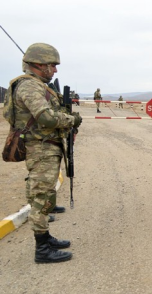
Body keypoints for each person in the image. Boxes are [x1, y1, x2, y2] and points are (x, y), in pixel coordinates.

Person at [8, 43, 82, 263]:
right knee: (41, 198)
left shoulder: (38, 85)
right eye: (52, 65)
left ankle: (46, 238)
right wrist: (71, 120)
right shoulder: (30, 87)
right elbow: (46, 118)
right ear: (39, 64)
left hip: (46, 146)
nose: (55, 70)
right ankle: (42, 250)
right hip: (40, 148)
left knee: (44, 194)